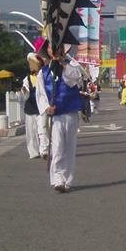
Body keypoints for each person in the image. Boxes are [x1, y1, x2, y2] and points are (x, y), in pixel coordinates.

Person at [36, 45, 84, 193]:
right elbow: (41, 94)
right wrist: (46, 108)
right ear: (48, 52)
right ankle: (58, 178)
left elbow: (74, 80)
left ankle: (68, 179)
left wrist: (63, 64)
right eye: (51, 49)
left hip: (71, 112)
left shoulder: (72, 66)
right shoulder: (43, 73)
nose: (55, 51)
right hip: (56, 115)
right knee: (57, 148)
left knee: (70, 147)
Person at [21, 52, 49, 160]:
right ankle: (33, 152)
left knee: (42, 129)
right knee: (31, 131)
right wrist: (24, 90)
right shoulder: (27, 78)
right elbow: (25, 89)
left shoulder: (44, 75)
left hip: (42, 107)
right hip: (30, 107)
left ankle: (44, 150)